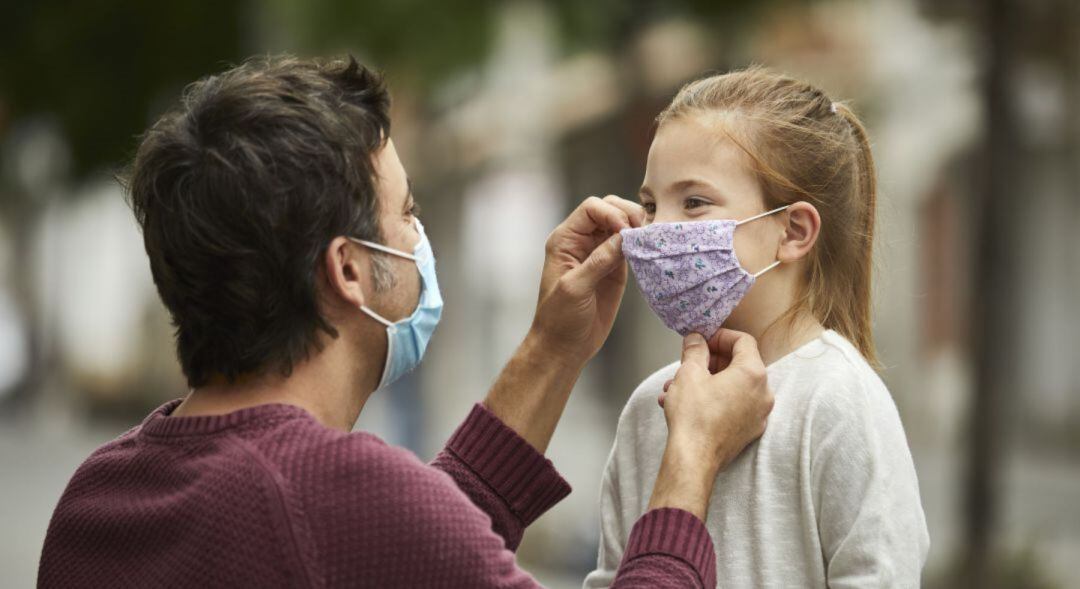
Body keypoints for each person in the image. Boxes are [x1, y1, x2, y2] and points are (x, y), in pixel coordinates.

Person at [37, 56, 775, 588]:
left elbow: (416, 542)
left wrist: (554, 347)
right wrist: (692, 460)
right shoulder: (331, 492)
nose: (420, 238)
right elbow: (385, 524)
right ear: (350, 269)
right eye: (407, 213)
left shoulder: (98, 497)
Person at [584, 68, 930, 588]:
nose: (657, 230)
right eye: (651, 205)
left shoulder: (838, 400)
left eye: (694, 202)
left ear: (793, 232)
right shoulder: (648, 408)